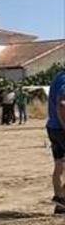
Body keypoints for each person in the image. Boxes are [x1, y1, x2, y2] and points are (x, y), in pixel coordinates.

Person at [47, 70, 65, 214]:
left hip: (52, 127)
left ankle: (60, 200)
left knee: (59, 163)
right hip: (61, 128)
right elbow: (62, 104)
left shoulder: (58, 76)